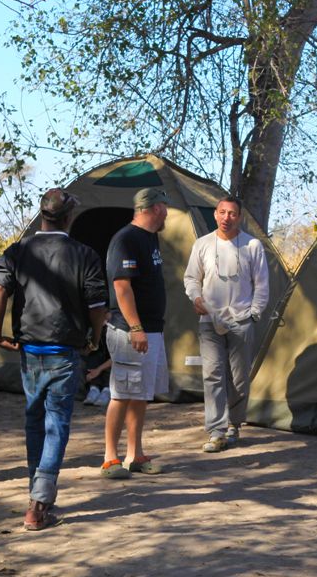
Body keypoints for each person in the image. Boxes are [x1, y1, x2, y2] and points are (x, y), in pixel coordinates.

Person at [0, 189, 108, 531]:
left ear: (43, 215)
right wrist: (95, 339)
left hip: (30, 350)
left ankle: (35, 493)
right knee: (56, 424)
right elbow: (98, 307)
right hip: (65, 350)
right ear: (69, 217)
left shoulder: (18, 250)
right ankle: (39, 503)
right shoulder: (84, 254)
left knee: (34, 421)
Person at [183, 196, 269, 452]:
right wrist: (196, 297)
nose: (226, 218)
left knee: (239, 377)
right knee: (212, 375)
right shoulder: (203, 244)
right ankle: (216, 431)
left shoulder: (252, 245)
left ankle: (234, 423)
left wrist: (254, 314)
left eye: (232, 213)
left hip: (241, 321)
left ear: (239, 217)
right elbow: (191, 278)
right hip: (209, 320)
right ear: (215, 215)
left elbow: (262, 284)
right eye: (222, 212)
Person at [100, 187, 170, 479]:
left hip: (151, 329)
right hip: (130, 331)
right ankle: (110, 458)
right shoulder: (126, 239)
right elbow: (122, 286)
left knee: (140, 394)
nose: (168, 212)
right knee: (122, 393)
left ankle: (135, 455)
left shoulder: (150, 237)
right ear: (154, 208)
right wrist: (136, 327)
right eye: (165, 207)